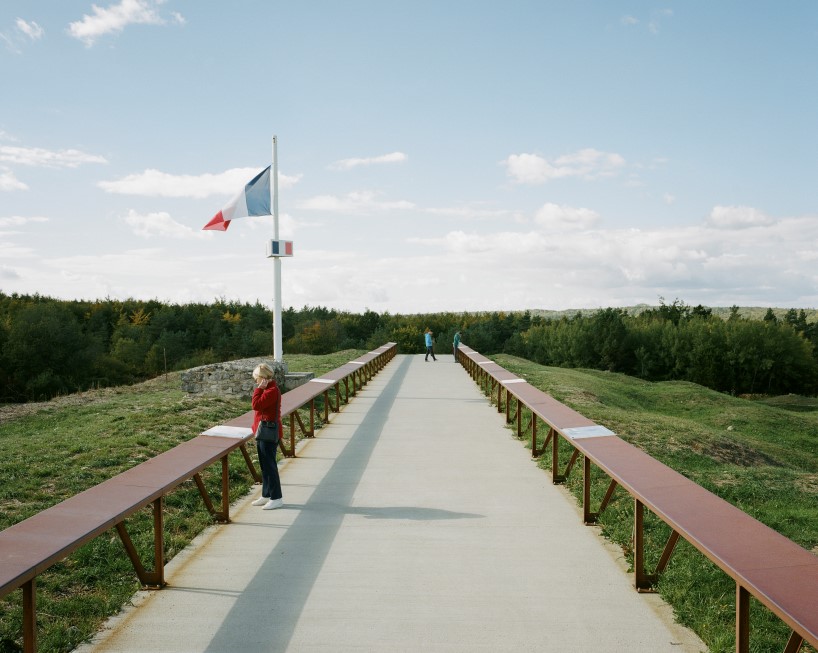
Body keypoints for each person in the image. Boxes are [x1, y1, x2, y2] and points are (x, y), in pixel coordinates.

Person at [250, 363, 284, 510]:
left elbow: (256, 405)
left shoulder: (271, 391)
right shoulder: (268, 389)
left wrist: (259, 390)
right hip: (263, 432)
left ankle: (277, 498)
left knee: (270, 466)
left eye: (257, 378)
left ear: (263, 378)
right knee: (265, 465)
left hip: (268, 433)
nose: (256, 381)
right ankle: (266, 495)